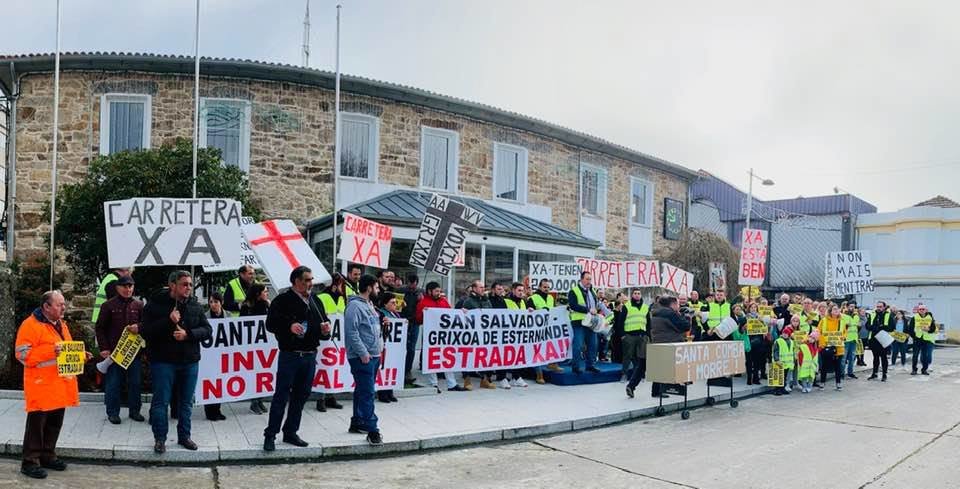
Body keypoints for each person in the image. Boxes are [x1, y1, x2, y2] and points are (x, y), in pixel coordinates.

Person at [15, 291, 91, 479]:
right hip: (41, 386)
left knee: (54, 424)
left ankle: (47, 455)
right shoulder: (30, 325)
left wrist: (82, 355)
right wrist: (50, 351)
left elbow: (66, 350)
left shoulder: (61, 325)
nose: (64, 307)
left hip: (59, 385)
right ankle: (30, 462)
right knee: (37, 426)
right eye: (59, 304)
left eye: (63, 304)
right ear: (46, 307)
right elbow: (22, 355)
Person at [142, 271, 212, 454]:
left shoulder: (194, 305)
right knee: (161, 402)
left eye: (190, 284)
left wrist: (188, 334)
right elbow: (145, 331)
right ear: (173, 285)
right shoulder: (155, 304)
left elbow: (207, 330)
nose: (188, 288)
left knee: (186, 402)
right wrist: (168, 320)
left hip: (189, 361)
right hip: (163, 361)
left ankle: (184, 436)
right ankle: (160, 439)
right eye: (184, 284)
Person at [263, 266, 332, 452]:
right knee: (281, 395)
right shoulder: (282, 300)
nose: (311, 284)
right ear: (296, 281)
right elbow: (270, 324)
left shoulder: (315, 300)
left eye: (311, 280)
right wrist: (289, 326)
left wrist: (325, 330)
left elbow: (323, 325)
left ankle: (291, 431)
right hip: (290, 355)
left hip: (309, 355)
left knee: (301, 396)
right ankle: (270, 434)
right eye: (307, 280)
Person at [94, 275, 144, 425]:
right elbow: (100, 328)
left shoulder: (139, 305)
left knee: (135, 383)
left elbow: (146, 324)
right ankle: (113, 413)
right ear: (117, 288)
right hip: (114, 353)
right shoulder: (108, 305)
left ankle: (135, 411)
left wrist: (139, 327)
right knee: (113, 383)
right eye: (124, 286)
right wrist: (104, 348)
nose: (128, 289)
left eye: (130, 286)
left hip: (133, 353)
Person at [345, 275, 385, 445]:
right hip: (362, 357)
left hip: (373, 355)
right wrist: (363, 353)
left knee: (362, 390)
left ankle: (358, 421)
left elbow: (371, 329)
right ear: (368, 288)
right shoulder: (354, 306)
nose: (378, 290)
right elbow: (351, 332)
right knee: (368, 392)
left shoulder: (370, 305)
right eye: (376, 287)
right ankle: (372, 430)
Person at [627, 296, 688, 399]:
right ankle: (656, 391)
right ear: (672, 304)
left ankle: (631, 386)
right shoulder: (670, 314)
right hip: (664, 344)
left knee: (642, 366)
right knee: (659, 368)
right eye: (677, 304)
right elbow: (685, 326)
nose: (678, 306)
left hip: (649, 341)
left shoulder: (653, 312)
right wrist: (685, 316)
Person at [416, 282, 466, 392]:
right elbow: (418, 320)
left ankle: (452, 384)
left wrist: (460, 312)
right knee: (431, 358)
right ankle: (433, 384)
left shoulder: (443, 301)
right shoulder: (423, 303)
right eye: (436, 291)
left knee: (448, 358)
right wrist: (424, 313)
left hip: (444, 335)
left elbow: (451, 313)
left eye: (439, 291)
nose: (439, 293)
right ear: (429, 291)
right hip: (431, 335)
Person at [314, 274, 347, 412]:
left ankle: (330, 397)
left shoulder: (341, 298)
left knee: (334, 368)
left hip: (338, 339)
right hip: (324, 339)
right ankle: (320, 399)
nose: (343, 288)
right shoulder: (321, 297)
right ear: (334, 285)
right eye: (341, 285)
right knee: (323, 368)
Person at [568, 272, 607, 375]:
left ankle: (590, 365)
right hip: (579, 322)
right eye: (587, 279)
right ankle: (576, 367)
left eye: (590, 279)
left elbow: (595, 304)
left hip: (591, 322)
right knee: (578, 346)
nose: (589, 281)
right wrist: (588, 310)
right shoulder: (574, 291)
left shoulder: (592, 291)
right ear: (581, 279)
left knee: (593, 345)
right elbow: (573, 305)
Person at [241, 283, 271, 415]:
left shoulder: (266, 305)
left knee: (262, 373)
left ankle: (259, 400)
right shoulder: (247, 307)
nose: (267, 294)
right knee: (254, 373)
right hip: (251, 345)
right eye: (265, 291)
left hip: (264, 345)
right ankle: (254, 402)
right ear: (258, 294)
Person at [462, 279, 496, 389]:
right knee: (469, 356)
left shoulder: (487, 300)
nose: (483, 289)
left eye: (483, 287)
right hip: (473, 334)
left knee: (486, 356)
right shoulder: (468, 301)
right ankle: (467, 379)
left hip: (485, 333)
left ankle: (485, 379)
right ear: (474, 288)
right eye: (480, 287)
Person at [498, 282, 532, 388]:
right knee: (505, 356)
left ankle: (516, 377)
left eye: (522, 290)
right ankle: (502, 378)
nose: (521, 293)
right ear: (513, 290)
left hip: (519, 334)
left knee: (518, 356)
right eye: (519, 290)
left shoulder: (523, 302)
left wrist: (529, 311)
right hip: (507, 334)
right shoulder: (505, 301)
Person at [530, 278, 561, 379]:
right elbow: (529, 313)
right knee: (537, 350)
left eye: (548, 287)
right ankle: (539, 374)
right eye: (544, 287)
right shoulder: (532, 298)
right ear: (539, 287)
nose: (547, 289)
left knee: (552, 345)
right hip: (537, 329)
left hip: (549, 327)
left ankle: (552, 363)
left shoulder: (551, 298)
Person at [204, 292, 228, 421]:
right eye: (211, 302)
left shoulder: (229, 316)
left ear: (221, 303)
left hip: (223, 355)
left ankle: (217, 410)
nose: (213, 304)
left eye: (216, 302)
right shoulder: (205, 317)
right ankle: (210, 411)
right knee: (210, 382)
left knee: (220, 383)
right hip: (209, 357)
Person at [618, 289, 651, 384]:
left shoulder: (645, 307)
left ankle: (640, 375)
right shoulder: (627, 306)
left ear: (641, 295)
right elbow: (620, 321)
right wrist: (623, 335)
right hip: (629, 335)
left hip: (642, 336)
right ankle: (624, 375)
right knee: (627, 356)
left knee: (641, 357)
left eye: (639, 293)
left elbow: (648, 322)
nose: (637, 295)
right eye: (635, 293)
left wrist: (647, 334)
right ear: (632, 295)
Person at [376, 293, 402, 403]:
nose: (395, 304)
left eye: (395, 302)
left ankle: (390, 391)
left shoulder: (396, 314)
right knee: (384, 368)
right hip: (385, 346)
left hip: (393, 348)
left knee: (391, 367)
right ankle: (382, 393)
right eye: (392, 302)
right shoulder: (381, 313)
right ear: (385, 304)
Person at [399, 273, 423, 387]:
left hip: (414, 323)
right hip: (403, 321)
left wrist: (421, 300)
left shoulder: (420, 292)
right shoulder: (400, 291)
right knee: (401, 347)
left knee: (411, 348)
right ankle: (400, 369)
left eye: (414, 284)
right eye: (410, 284)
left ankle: (408, 370)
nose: (412, 286)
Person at [818, 305, 845, 390]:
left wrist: (843, 337)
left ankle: (838, 383)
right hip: (826, 347)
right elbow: (819, 332)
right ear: (830, 311)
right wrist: (823, 344)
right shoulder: (824, 320)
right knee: (824, 366)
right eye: (834, 309)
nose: (837, 310)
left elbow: (844, 332)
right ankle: (822, 383)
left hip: (838, 347)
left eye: (838, 309)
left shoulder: (842, 321)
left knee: (838, 366)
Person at [867, 302, 894, 381]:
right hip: (873, 339)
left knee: (884, 358)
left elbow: (892, 327)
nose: (879, 308)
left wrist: (882, 327)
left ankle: (884, 374)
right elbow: (867, 325)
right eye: (877, 306)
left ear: (884, 307)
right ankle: (874, 373)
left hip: (883, 339)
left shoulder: (888, 315)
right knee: (875, 358)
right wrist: (874, 327)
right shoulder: (872, 314)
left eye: (880, 306)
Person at [910, 304, 936, 376]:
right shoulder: (914, 317)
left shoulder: (930, 317)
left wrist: (929, 329)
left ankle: (924, 370)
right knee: (915, 355)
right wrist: (914, 337)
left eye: (923, 309)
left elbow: (933, 328)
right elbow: (910, 329)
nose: (921, 310)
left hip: (926, 339)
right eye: (920, 309)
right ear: (918, 310)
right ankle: (914, 370)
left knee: (925, 356)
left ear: (926, 310)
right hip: (917, 339)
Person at [773, 325, 796, 396]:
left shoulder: (791, 342)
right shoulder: (778, 341)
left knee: (784, 376)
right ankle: (777, 390)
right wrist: (777, 359)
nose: (785, 334)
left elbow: (792, 351)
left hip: (787, 363)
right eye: (784, 333)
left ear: (789, 335)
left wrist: (793, 359)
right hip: (780, 362)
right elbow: (775, 351)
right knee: (779, 376)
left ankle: (782, 388)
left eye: (786, 333)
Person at [841, 302, 860, 379]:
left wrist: (857, 325)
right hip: (846, 339)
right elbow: (842, 326)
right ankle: (841, 373)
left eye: (854, 307)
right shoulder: (843, 315)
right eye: (851, 306)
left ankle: (850, 372)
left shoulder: (856, 316)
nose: (852, 308)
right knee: (843, 358)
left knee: (852, 358)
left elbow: (858, 326)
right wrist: (847, 325)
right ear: (847, 307)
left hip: (854, 339)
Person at [796, 329, 818, 394]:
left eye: (813, 338)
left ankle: (809, 387)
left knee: (811, 377)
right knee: (804, 377)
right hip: (804, 365)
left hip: (812, 365)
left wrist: (816, 365)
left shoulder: (815, 348)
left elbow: (816, 357)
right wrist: (800, 363)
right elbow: (800, 355)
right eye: (810, 337)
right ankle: (804, 387)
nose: (811, 339)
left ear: (815, 340)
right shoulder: (803, 345)